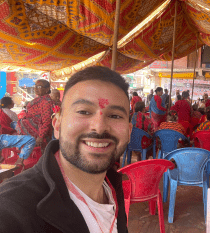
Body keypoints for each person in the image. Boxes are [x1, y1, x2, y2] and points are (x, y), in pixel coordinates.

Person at [0, 66, 130, 232]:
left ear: (129, 131)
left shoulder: (113, 186)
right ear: (57, 123)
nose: (99, 127)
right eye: (83, 111)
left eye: (115, 116)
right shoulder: (12, 210)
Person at [16, 79, 54, 150]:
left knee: (39, 156)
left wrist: (40, 137)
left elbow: (47, 121)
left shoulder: (46, 102)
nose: (36, 88)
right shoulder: (39, 99)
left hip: (40, 134)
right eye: (35, 86)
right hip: (33, 133)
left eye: (39, 87)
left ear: (47, 89)